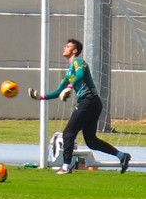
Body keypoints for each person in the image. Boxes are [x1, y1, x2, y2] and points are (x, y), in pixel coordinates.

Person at [28, 38, 131, 174]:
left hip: (89, 101)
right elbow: (58, 91)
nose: (64, 48)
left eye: (67, 46)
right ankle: (122, 156)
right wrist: (40, 97)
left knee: (68, 133)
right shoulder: (69, 72)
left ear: (74, 51)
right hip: (91, 103)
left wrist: (70, 88)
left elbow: (81, 74)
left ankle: (65, 167)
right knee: (91, 141)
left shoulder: (78, 62)